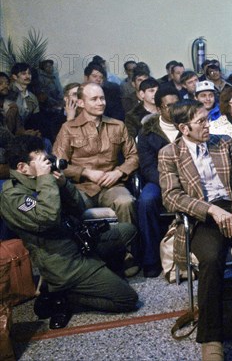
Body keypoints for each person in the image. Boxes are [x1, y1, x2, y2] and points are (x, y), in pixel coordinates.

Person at [158, 100, 232, 361]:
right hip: (200, 216)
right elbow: (171, 197)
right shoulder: (169, 153)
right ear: (184, 128)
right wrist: (211, 211)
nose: (208, 125)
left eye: (207, 119)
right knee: (211, 259)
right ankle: (211, 337)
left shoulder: (224, 143)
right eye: (201, 121)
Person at [0, 135, 138, 329]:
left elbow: (80, 208)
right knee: (127, 299)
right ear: (22, 167)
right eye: (40, 162)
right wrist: (45, 179)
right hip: (62, 261)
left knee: (128, 231)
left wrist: (63, 184)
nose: (47, 164)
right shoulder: (13, 196)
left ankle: (99, 275)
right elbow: (47, 218)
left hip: (78, 241)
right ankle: (67, 296)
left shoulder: (44, 180)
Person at [53, 82, 139, 226]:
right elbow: (58, 164)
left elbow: (134, 156)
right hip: (80, 188)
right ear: (80, 102)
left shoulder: (118, 126)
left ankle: (128, 248)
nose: (100, 103)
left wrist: (118, 172)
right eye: (94, 99)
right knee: (68, 206)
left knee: (126, 202)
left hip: (112, 186)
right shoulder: (68, 128)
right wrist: (85, 172)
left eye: (102, 98)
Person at [136, 85, 181, 277]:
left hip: (189, 178)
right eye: (169, 106)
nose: (174, 110)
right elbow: (146, 167)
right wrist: (167, 182)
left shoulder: (190, 125)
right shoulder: (147, 132)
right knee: (146, 201)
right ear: (159, 108)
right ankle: (151, 260)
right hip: (159, 180)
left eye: (177, 105)